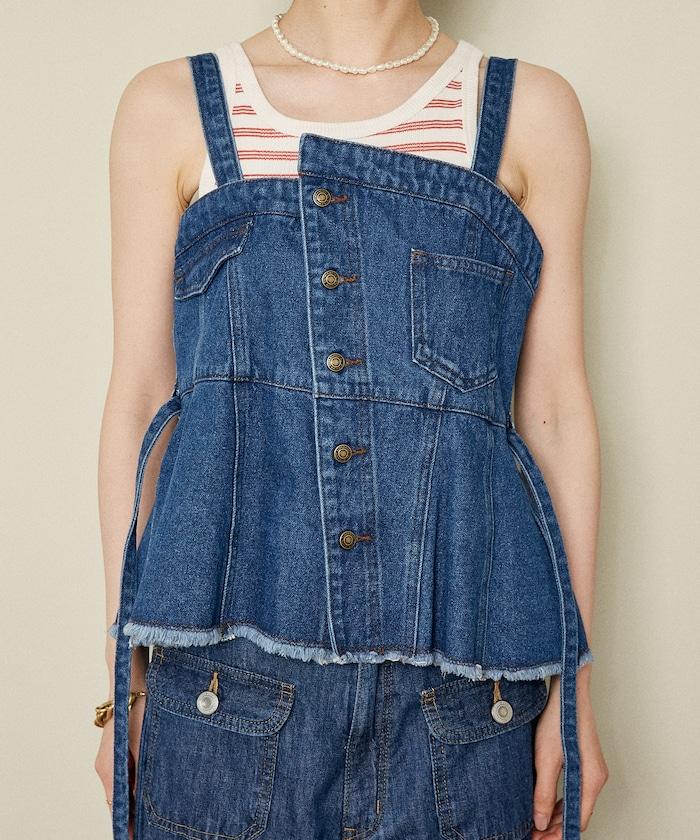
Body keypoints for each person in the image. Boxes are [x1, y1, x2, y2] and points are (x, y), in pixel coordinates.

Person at [94, 2, 608, 838]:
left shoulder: (528, 110)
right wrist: (125, 684)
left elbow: (554, 411)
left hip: (469, 709)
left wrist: (576, 697)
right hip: (220, 695)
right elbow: (142, 399)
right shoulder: (171, 105)